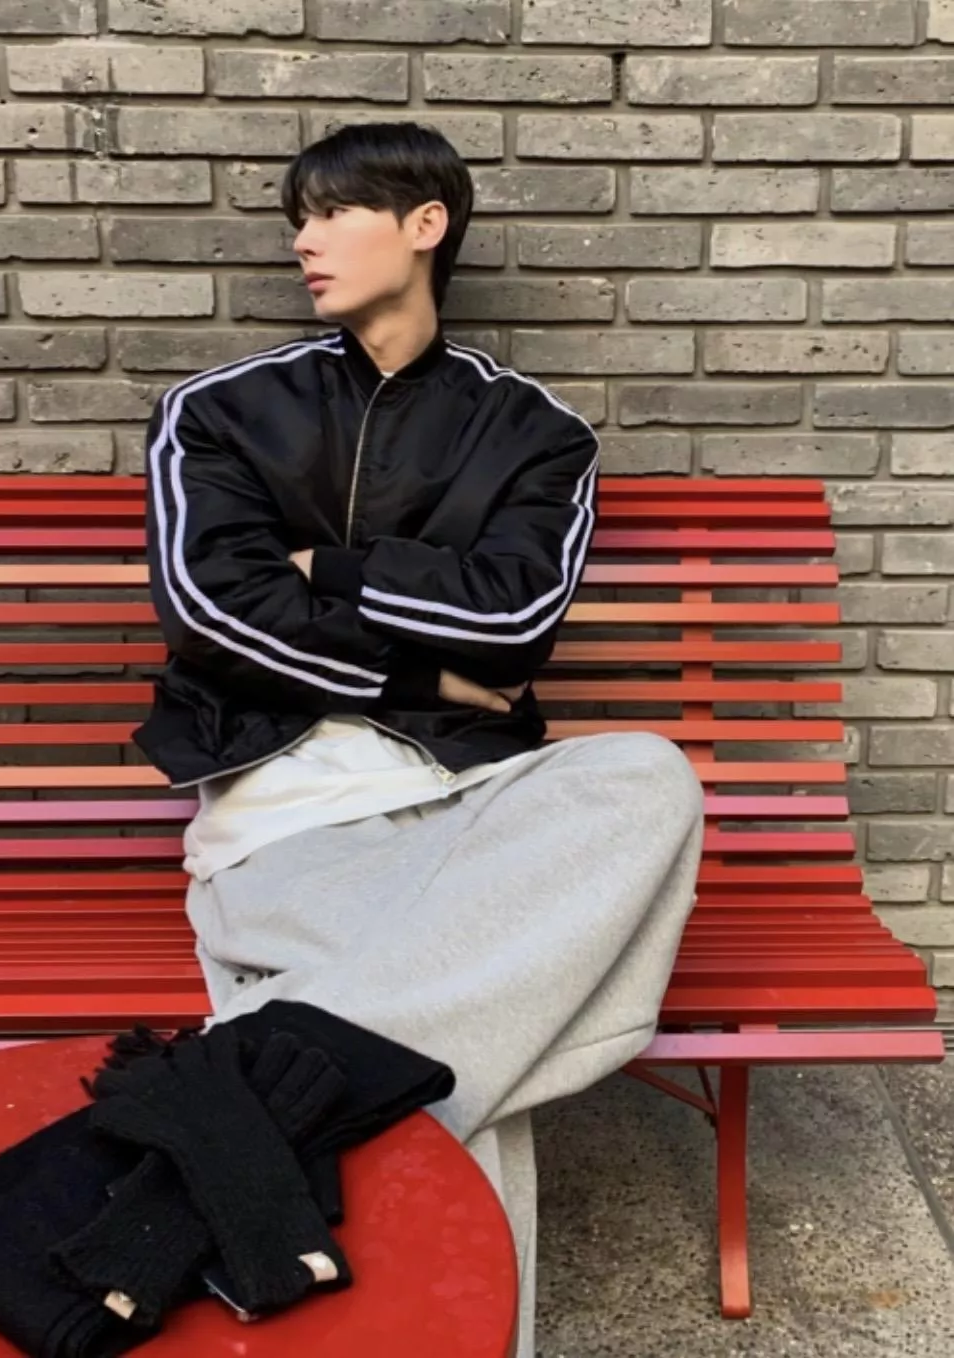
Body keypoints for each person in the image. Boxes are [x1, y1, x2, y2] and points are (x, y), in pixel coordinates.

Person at [135, 121, 705, 1357]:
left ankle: (240, 1099)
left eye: (332, 212)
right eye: (297, 218)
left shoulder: (536, 433)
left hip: (470, 797)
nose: (303, 240)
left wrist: (332, 568)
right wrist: (423, 667)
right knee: (452, 1069)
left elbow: (516, 617)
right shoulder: (218, 413)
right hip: (288, 803)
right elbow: (216, 616)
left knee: (648, 772)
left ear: (425, 225)